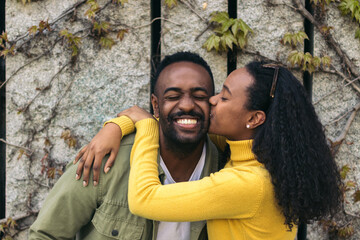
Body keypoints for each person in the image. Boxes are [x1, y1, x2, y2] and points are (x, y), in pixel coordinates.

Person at [86, 61, 342, 239]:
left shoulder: (248, 183)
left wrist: (145, 128)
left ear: (254, 119)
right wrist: (116, 126)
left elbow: (144, 199)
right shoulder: (254, 154)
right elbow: (179, 126)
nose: (212, 100)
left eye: (225, 97)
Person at [29, 52, 221, 240]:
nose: (187, 105)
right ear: (155, 105)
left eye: (199, 96)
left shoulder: (226, 167)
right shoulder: (105, 161)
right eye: (173, 96)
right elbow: (46, 234)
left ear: (213, 103)